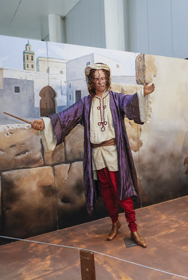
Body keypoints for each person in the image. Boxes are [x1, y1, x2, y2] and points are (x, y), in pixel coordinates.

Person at [31, 63, 154, 248]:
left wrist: (143, 93)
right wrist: (44, 123)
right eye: (96, 78)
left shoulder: (115, 99)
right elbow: (65, 117)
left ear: (107, 79)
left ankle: (133, 229)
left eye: (103, 78)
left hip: (113, 153)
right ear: (91, 81)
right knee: (106, 191)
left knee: (121, 191)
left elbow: (130, 102)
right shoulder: (85, 103)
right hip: (96, 154)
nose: (100, 82)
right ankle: (115, 222)